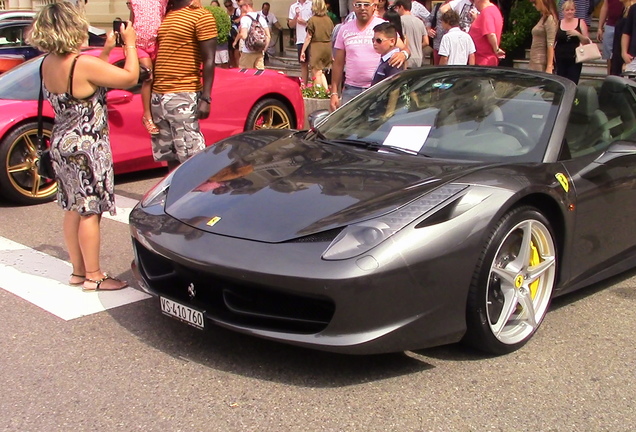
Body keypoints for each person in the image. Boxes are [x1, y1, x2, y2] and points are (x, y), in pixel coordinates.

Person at [27, 2, 139, 291]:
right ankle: (94, 275)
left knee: (72, 207)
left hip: (62, 142)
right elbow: (130, 78)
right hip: (88, 147)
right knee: (91, 210)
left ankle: (78, 271)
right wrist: (130, 45)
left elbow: (86, 79)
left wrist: (105, 50)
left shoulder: (47, 63)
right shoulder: (82, 64)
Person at [151, 0, 217, 170]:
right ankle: (174, 195)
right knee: (170, 156)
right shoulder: (166, 15)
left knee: (191, 158)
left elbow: (209, 59)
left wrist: (206, 98)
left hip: (183, 94)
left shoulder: (201, 16)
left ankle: (197, 196)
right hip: (158, 96)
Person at [330, 0, 409, 110]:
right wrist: (334, 93)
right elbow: (338, 63)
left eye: (366, 4)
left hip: (378, 89)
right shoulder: (344, 29)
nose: (362, 8)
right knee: (350, 126)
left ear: (374, 6)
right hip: (351, 90)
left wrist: (403, 54)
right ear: (353, 7)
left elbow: (405, 48)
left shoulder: (382, 26)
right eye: (358, 5)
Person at [127, 0, 170, 135]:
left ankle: (161, 110)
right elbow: (132, 20)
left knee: (160, 76)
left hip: (157, 43)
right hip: (140, 45)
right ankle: (147, 115)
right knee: (148, 76)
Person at [300, 0, 334, 89]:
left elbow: (308, 37)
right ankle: (326, 91)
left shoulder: (312, 20)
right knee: (321, 72)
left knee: (316, 72)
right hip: (327, 46)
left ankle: (318, 92)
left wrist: (303, 51)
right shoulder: (328, 20)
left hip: (317, 47)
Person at [555, 0, 590, 83]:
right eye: (567, 10)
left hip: (575, 58)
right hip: (560, 57)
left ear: (575, 10)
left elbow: (586, 42)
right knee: (560, 81)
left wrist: (578, 34)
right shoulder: (558, 23)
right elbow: (554, 40)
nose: (569, 12)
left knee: (573, 82)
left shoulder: (580, 22)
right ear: (563, 11)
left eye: (572, 10)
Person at [234, 0, 270, 69]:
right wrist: (263, 49)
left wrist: (237, 37)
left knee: (245, 75)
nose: (239, 8)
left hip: (247, 52)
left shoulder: (245, 19)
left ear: (247, 6)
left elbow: (244, 36)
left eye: (241, 6)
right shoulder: (261, 18)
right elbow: (268, 36)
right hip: (259, 52)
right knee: (259, 75)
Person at [393, 0, 428, 68]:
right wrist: (417, 47)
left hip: (405, 57)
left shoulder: (400, 21)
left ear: (401, 7)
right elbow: (426, 42)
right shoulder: (420, 21)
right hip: (419, 58)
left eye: (397, 8)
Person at [468, 0, 504, 65]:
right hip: (483, 60)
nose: (474, 3)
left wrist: (496, 49)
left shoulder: (487, 12)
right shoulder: (493, 9)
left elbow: (490, 33)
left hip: (482, 60)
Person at [288, 0, 314, 84]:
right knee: (303, 64)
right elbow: (291, 25)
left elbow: (315, 22)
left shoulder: (312, 4)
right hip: (300, 39)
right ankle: (305, 86)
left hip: (312, 38)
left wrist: (305, 22)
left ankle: (315, 86)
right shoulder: (293, 7)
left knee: (313, 65)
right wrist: (296, 17)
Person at [529, 0, 558, 73]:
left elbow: (550, 44)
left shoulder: (550, 19)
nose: (534, 5)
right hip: (535, 59)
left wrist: (549, 66)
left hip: (540, 61)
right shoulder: (543, 18)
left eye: (535, 3)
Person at [598, 0, 626, 74]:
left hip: (625, 25)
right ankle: (610, 77)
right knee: (609, 55)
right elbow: (605, 6)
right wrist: (600, 27)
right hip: (610, 25)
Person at [225, 0, 242, 67]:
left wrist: (238, 20)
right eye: (227, 6)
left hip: (236, 33)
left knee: (236, 53)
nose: (229, 7)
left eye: (229, 5)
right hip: (229, 34)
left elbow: (243, 15)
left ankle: (237, 67)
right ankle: (233, 66)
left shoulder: (237, 11)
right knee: (230, 53)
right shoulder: (226, 13)